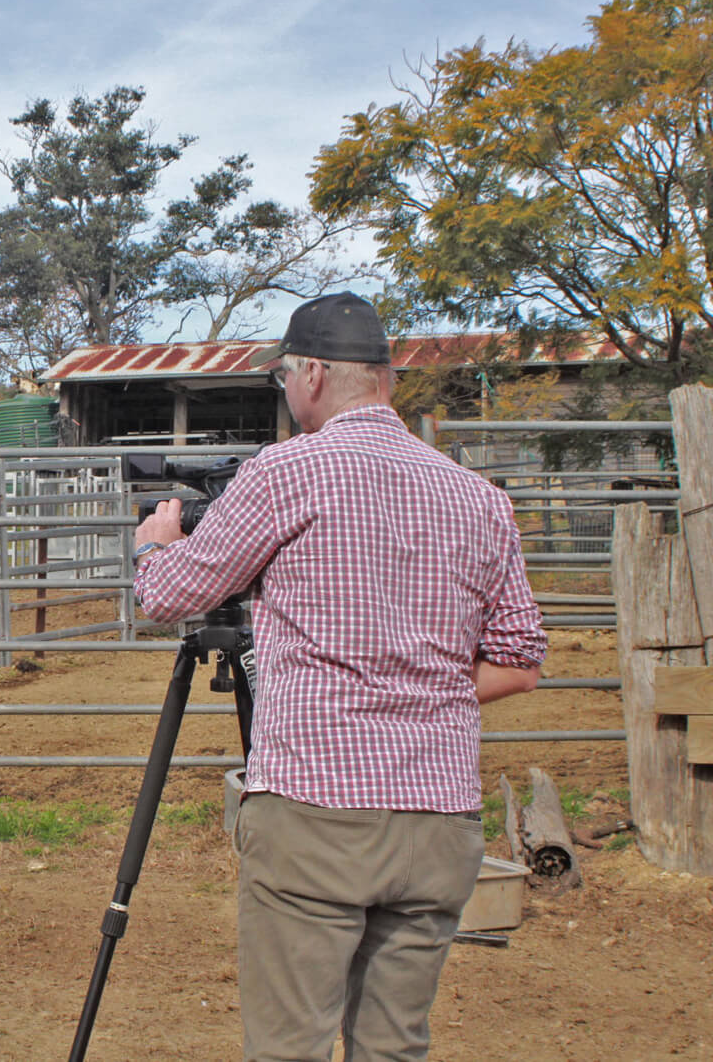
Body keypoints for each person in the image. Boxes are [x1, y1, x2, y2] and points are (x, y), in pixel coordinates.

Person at [131, 291, 547, 1060]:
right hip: (439, 816)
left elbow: (168, 596)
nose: (286, 390)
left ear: (314, 374)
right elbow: (520, 662)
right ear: (384, 379)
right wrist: (427, 690)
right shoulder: (480, 499)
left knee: (290, 1047)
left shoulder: (285, 474)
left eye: (285, 375)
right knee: (394, 1048)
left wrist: (156, 542)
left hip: (317, 808)